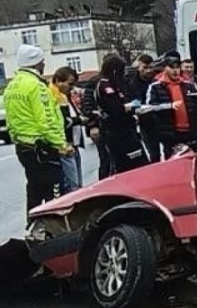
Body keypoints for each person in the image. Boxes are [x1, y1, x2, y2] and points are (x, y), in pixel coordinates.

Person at [3, 45, 71, 219]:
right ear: (36, 63)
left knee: (34, 189)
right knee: (55, 190)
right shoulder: (37, 86)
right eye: (42, 61)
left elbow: (11, 119)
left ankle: (33, 226)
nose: (44, 64)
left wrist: (15, 137)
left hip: (23, 147)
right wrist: (61, 144)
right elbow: (46, 120)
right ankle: (55, 231)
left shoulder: (12, 86)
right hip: (42, 147)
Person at [146, 51, 197, 158]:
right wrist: (169, 106)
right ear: (165, 69)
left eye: (177, 67)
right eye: (172, 67)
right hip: (171, 135)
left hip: (192, 133)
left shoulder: (189, 85)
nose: (175, 70)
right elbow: (149, 107)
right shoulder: (155, 87)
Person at [95, 54, 149, 174]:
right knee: (125, 165)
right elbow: (115, 109)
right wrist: (130, 106)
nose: (123, 74)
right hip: (116, 132)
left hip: (127, 129)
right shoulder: (105, 85)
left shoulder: (117, 84)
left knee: (140, 163)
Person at [49, 66, 87, 193]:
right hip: (65, 145)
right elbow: (64, 121)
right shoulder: (55, 97)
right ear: (58, 81)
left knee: (77, 185)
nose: (72, 87)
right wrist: (79, 120)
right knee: (72, 186)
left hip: (73, 145)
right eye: (70, 84)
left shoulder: (65, 95)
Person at [79, 59, 114, 179]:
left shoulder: (116, 81)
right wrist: (93, 125)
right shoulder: (95, 82)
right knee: (106, 160)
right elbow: (88, 106)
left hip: (116, 127)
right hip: (101, 126)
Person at [128, 54, 161, 162]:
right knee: (154, 154)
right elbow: (133, 102)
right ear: (139, 67)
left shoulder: (158, 79)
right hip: (146, 123)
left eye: (150, 67)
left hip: (162, 120)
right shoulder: (132, 83)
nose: (148, 71)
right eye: (145, 68)